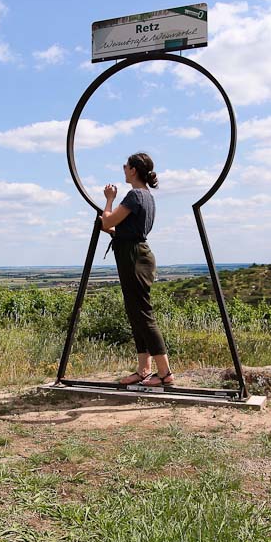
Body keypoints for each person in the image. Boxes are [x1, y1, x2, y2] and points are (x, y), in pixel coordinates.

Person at [99, 152, 173, 387]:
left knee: (143, 315)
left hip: (134, 258)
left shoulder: (134, 195)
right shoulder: (147, 196)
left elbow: (108, 221)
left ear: (133, 170)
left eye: (126, 165)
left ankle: (165, 374)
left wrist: (109, 199)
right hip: (136, 254)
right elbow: (125, 230)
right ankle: (144, 370)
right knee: (136, 314)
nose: (123, 168)